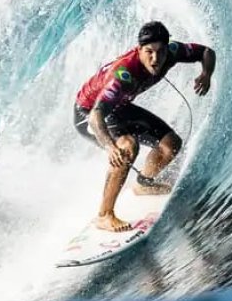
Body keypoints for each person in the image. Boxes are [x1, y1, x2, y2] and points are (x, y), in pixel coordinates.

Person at [73, 21, 217, 232]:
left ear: (167, 49)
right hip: (88, 112)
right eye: (149, 52)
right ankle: (104, 215)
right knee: (127, 147)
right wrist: (110, 147)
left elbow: (206, 52)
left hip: (118, 107)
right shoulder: (122, 75)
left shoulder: (172, 52)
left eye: (160, 52)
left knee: (170, 144)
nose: (155, 58)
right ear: (139, 49)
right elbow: (96, 116)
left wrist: (206, 74)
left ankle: (143, 184)